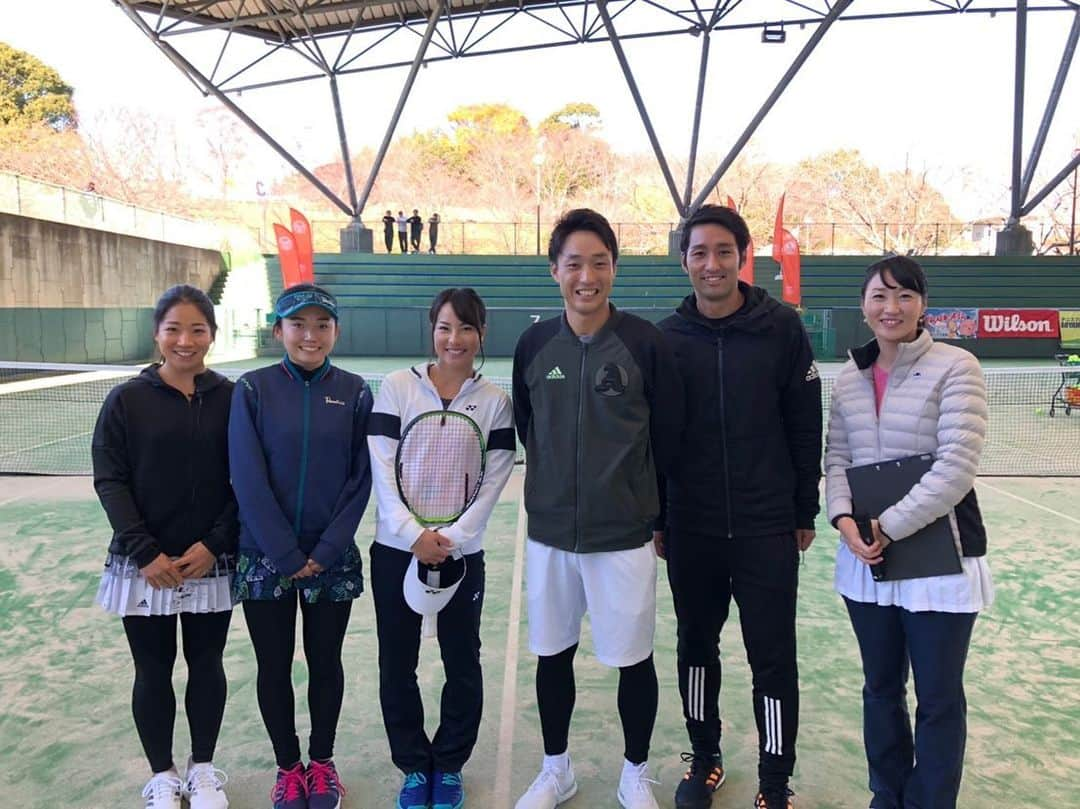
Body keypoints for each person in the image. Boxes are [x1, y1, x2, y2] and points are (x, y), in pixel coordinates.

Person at [512, 208, 684, 809]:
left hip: (625, 534)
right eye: (575, 263)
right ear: (555, 269)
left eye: (600, 263)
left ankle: (635, 772)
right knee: (552, 653)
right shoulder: (534, 344)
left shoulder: (644, 342)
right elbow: (529, 426)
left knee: (633, 659)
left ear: (614, 268)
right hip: (551, 533)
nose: (588, 276)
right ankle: (557, 769)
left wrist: (654, 514)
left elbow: (667, 435)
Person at [655, 205, 822, 809]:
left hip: (766, 526)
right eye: (699, 252)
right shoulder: (667, 339)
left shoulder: (781, 328)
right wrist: (660, 517)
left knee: (772, 659)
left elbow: (805, 423)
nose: (712, 263)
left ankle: (775, 784)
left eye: (723, 251)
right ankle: (704, 759)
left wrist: (805, 508)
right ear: (685, 262)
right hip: (691, 527)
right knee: (695, 649)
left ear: (742, 256)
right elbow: (657, 436)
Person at [825, 255, 993, 809]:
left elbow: (956, 465)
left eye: (903, 296)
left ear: (923, 305)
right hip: (867, 559)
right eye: (879, 295)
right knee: (880, 690)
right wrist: (845, 521)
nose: (890, 307)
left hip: (940, 557)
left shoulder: (956, 365)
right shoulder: (849, 376)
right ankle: (886, 796)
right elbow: (837, 458)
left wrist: (889, 526)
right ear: (864, 305)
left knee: (939, 697)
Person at [368, 287, 516, 809]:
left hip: (462, 555)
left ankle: (448, 764)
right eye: (445, 327)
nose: (455, 339)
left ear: (481, 335)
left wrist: (450, 539)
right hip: (394, 551)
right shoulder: (395, 388)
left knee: (462, 659)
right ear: (432, 330)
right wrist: (413, 536)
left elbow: (494, 480)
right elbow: (382, 470)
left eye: (467, 328)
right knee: (397, 662)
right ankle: (413, 766)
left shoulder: (496, 402)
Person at [92, 284, 237, 809]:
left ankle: (202, 772)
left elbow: (244, 478)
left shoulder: (231, 397)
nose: (185, 340)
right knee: (152, 671)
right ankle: (163, 775)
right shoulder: (126, 400)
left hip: (209, 562)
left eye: (197, 329)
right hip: (144, 565)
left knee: (207, 665)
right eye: (173, 328)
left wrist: (214, 544)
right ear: (157, 334)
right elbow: (110, 479)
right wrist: (144, 553)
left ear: (212, 336)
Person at [229, 283, 373, 809]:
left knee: (325, 663)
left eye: (321, 325)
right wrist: (286, 555)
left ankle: (322, 764)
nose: (310, 335)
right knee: (274, 667)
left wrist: (329, 547)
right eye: (298, 325)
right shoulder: (252, 389)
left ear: (335, 331)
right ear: (279, 331)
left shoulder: (356, 391)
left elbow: (361, 479)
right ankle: (288, 769)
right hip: (264, 558)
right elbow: (246, 477)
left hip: (332, 559)